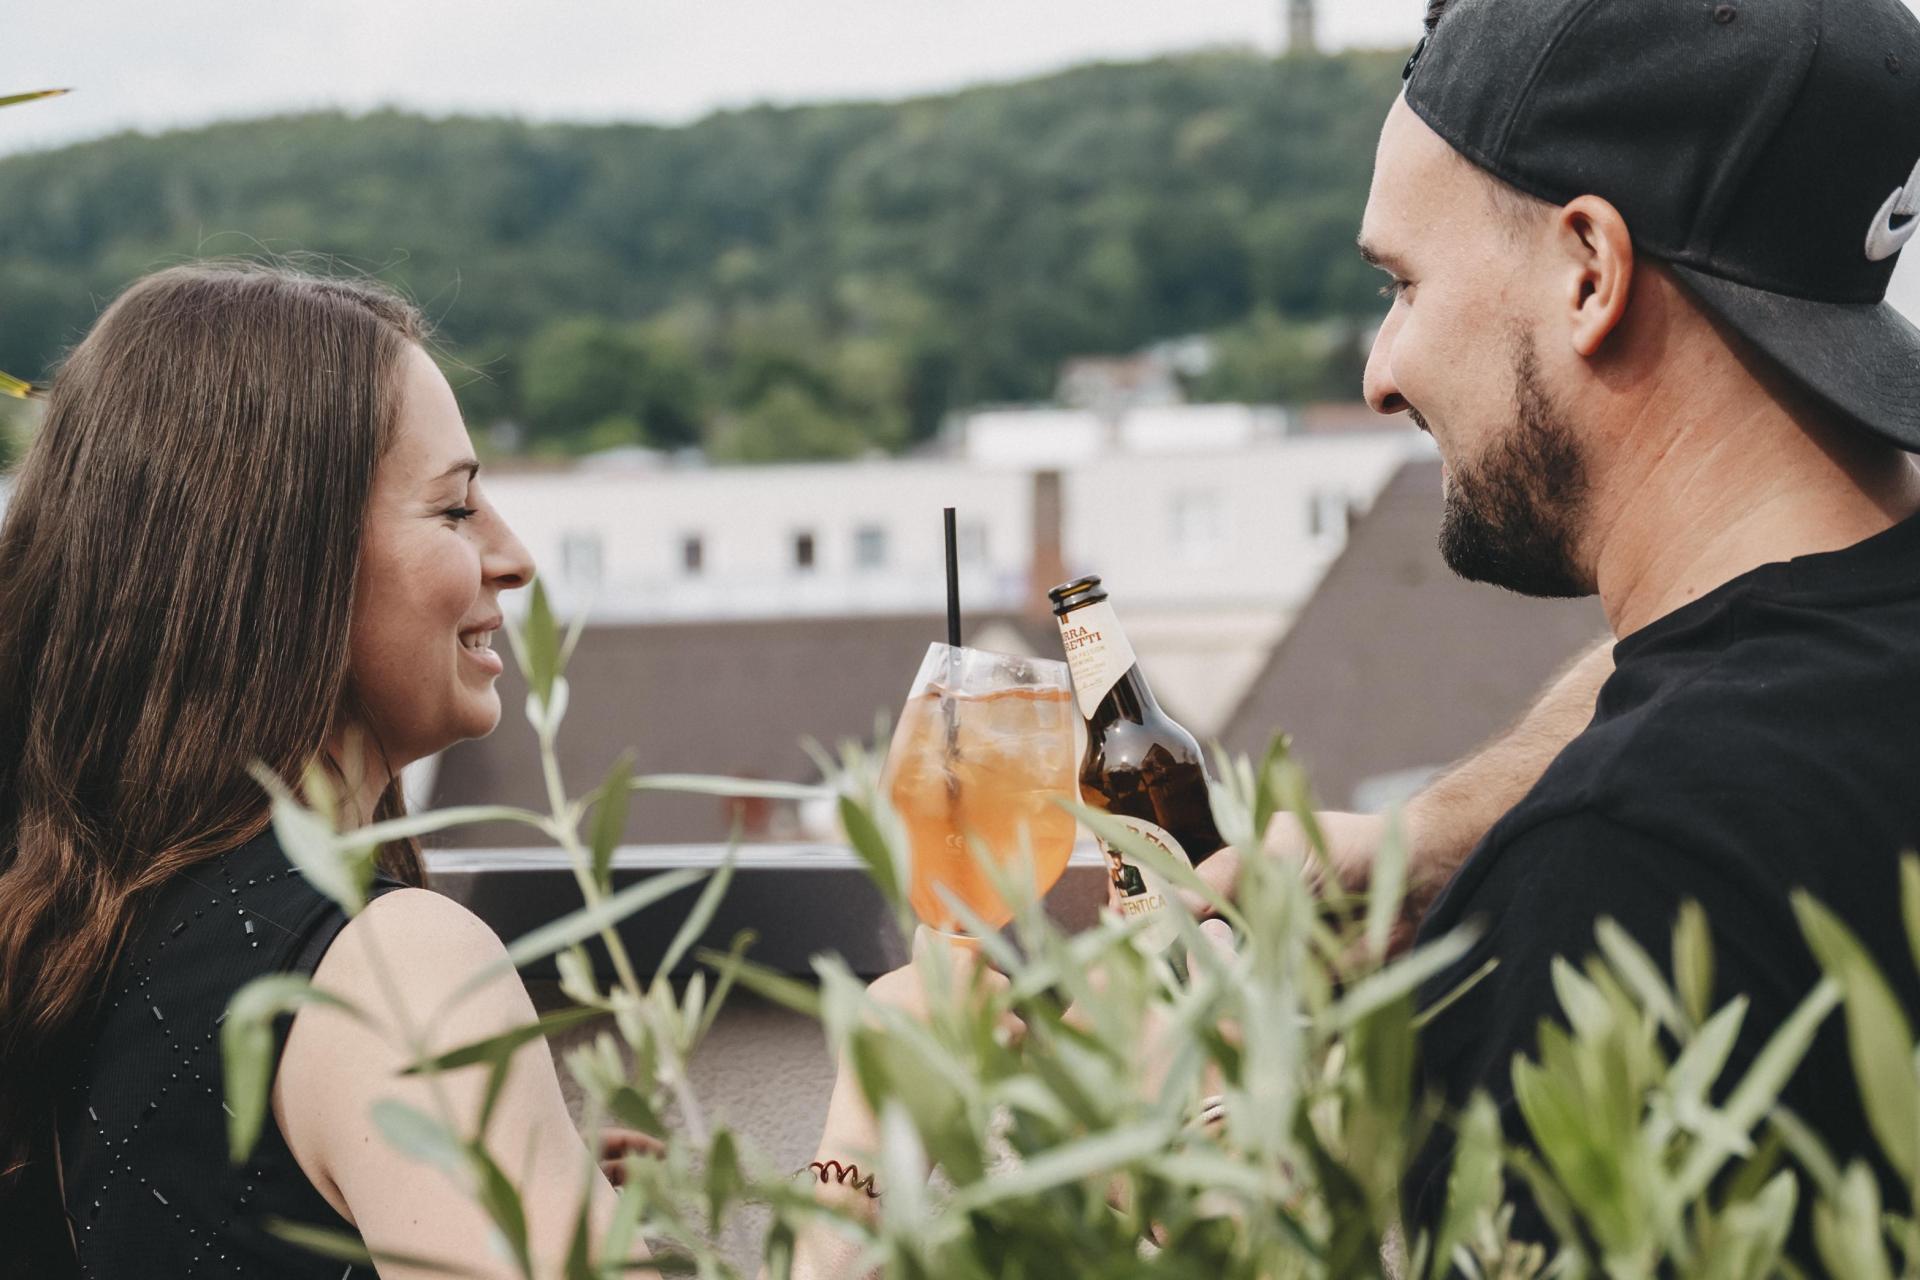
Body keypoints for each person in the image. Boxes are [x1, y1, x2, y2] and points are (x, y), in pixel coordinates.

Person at [0, 263, 898, 1279]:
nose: (513, 558)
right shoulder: (393, 969)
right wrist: (880, 1112)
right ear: (288, 559)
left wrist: (518, 1184)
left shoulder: (81, 926)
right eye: (457, 508)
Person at [1201, 0, 1920, 1253]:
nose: (1380, 371)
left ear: (1590, 269)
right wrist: (1448, 829)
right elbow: (1768, 665)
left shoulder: (1612, 888)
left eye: (1402, 284)